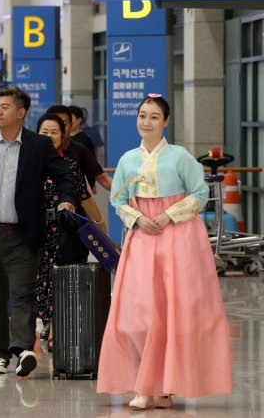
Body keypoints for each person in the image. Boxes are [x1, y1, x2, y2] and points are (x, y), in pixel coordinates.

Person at [97, 94, 232, 409]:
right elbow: (118, 200)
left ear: (166, 121)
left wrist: (168, 214)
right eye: (143, 115)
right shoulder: (129, 158)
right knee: (138, 313)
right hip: (142, 237)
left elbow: (200, 193)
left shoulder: (180, 156)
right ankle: (144, 382)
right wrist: (138, 217)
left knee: (173, 313)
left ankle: (163, 386)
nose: (146, 122)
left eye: (154, 116)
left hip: (178, 239)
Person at [0, 86, 77, 378]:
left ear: (21, 113)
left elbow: (65, 175)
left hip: (23, 234)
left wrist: (67, 199)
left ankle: (22, 350)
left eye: (5, 107)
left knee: (22, 294)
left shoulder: (39, 146)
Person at [33, 114, 101, 346]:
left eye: (54, 132)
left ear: (63, 137)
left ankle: (57, 329)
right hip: (37, 233)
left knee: (62, 279)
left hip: (65, 233)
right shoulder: (28, 165)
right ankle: (49, 323)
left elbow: (85, 198)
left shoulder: (70, 166)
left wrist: (100, 229)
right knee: (41, 280)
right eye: (44, 131)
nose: (49, 136)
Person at [45, 104, 112, 192]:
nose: (59, 129)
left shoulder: (80, 150)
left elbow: (103, 179)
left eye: (64, 124)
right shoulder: (36, 151)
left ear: (71, 125)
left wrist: (130, 194)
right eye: (54, 125)